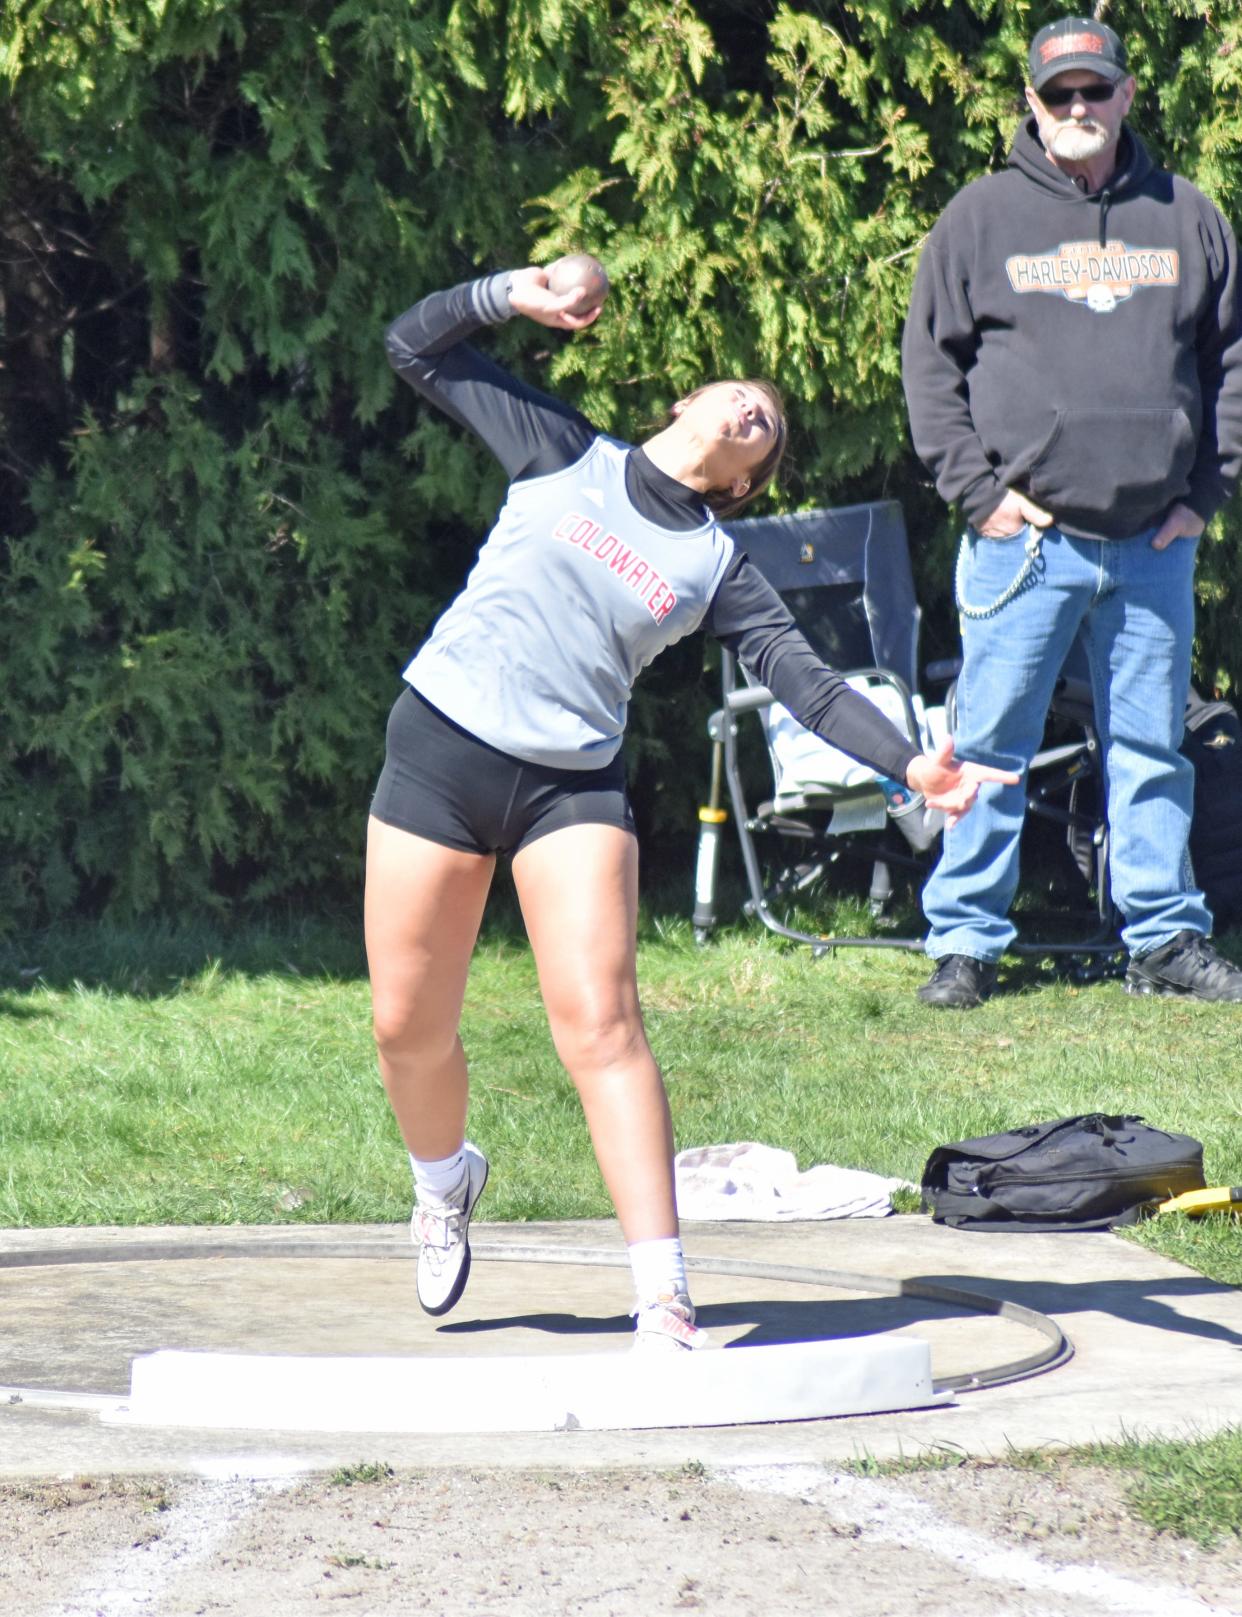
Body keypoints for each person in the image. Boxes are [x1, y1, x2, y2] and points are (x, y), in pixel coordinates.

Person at [369, 261, 1017, 1350]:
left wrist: (913, 767)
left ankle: (662, 1293)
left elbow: (807, 684)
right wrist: (513, 293)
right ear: (688, 402)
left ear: (747, 482)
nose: (757, 406)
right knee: (405, 1028)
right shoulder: (560, 449)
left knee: (602, 1024)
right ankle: (444, 1183)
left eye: (770, 426)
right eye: (744, 392)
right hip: (438, 750)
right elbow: (411, 345)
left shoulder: (717, 562)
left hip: (567, 787)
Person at [901, 14, 1242, 1009]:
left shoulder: (1188, 215)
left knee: (1152, 750)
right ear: (1033, 106)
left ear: (1128, 96)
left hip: (1151, 542)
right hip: (1027, 542)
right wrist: (977, 491)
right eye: (1062, 95)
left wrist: (1207, 493)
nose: (1081, 108)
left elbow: (1231, 360)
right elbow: (931, 366)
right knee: (991, 749)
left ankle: (1165, 940)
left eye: (1097, 90)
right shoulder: (980, 218)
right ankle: (964, 943)